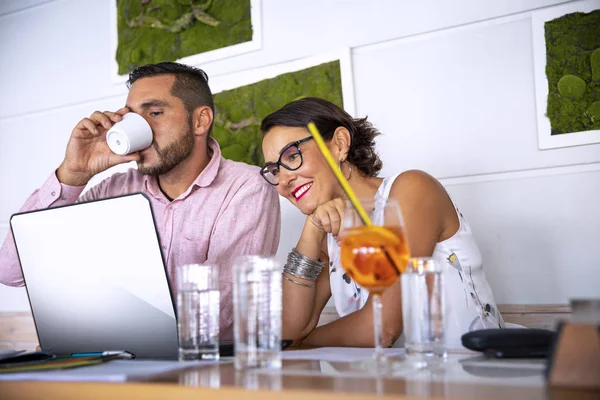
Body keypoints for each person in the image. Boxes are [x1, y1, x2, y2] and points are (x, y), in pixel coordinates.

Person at [0, 62, 281, 341]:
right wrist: (73, 174)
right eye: (132, 118)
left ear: (200, 121)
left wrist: (92, 324)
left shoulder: (246, 188)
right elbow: (11, 272)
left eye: (155, 113)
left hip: (201, 372)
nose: (140, 128)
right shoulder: (113, 191)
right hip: (109, 364)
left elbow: (216, 310)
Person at [260, 97, 503, 349]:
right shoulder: (327, 229)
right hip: (399, 383)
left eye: (291, 156)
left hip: (475, 375)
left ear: (339, 145)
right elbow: (286, 330)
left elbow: (382, 328)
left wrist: (302, 344)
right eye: (274, 170)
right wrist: (311, 231)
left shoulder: (412, 191)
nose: (283, 180)